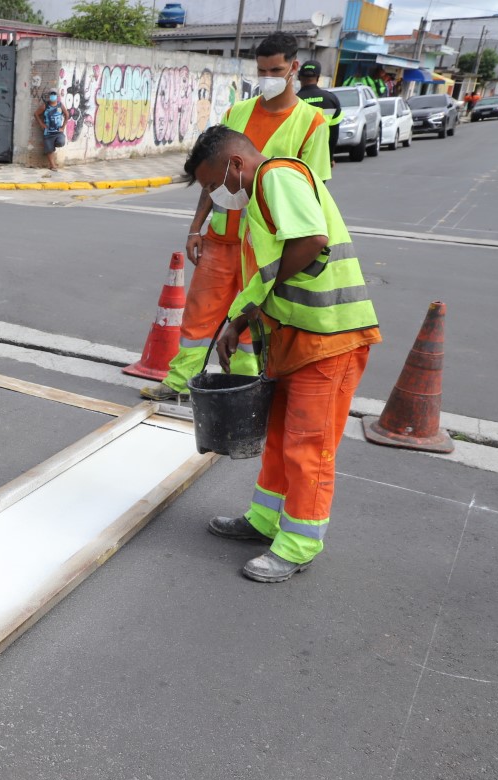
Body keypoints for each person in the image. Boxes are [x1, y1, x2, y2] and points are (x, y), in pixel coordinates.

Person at [184, 125, 381, 582]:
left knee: (308, 446)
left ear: (235, 165)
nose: (215, 196)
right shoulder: (259, 198)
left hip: (328, 339)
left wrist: (246, 307)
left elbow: (311, 241)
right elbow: (271, 274)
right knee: (278, 439)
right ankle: (266, 521)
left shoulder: (277, 176)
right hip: (294, 338)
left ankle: (299, 544)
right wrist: (241, 319)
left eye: (213, 185)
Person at [142, 32, 331, 402]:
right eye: (261, 70)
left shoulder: (312, 124)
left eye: (275, 69)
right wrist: (196, 227)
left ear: (294, 67)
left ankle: (242, 390)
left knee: (249, 321)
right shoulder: (238, 112)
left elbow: (315, 193)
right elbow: (212, 176)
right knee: (199, 315)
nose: (267, 78)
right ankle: (180, 382)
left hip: (263, 245)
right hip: (221, 238)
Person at [295, 60, 341, 165]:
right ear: (318, 77)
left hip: (298, 160)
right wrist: (330, 157)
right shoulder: (331, 99)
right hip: (321, 160)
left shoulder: (293, 101)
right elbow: (334, 133)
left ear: (299, 77)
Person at [35, 90, 67, 171]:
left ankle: (53, 146)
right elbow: (36, 114)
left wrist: (63, 127)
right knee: (49, 149)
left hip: (58, 132)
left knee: (61, 142)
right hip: (48, 132)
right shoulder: (45, 106)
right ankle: (53, 166)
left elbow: (67, 114)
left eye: (54, 95)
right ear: (49, 97)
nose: (52, 97)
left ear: (57, 96)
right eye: (51, 95)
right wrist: (42, 125)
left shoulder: (60, 105)